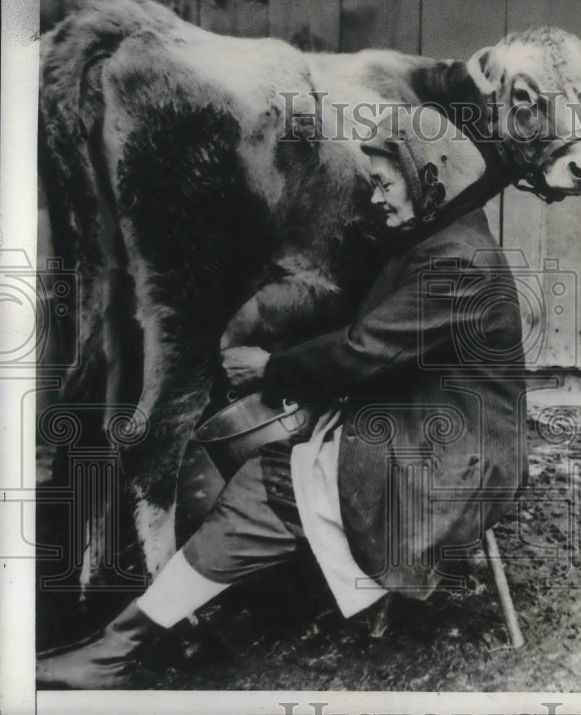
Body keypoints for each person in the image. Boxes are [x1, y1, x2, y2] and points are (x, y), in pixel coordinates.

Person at [37, 107, 528, 688]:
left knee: (267, 482)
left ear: (430, 177)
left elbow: (364, 351)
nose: (375, 198)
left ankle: (114, 652)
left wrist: (273, 369)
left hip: (457, 456)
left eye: (384, 183)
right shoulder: (439, 235)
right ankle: (139, 633)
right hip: (434, 421)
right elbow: (380, 339)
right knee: (280, 458)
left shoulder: (455, 262)